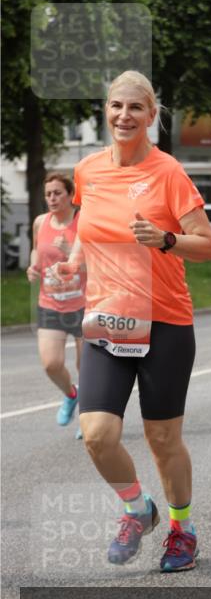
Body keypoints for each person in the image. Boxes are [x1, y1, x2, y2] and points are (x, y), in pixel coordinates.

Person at [48, 71, 211, 572]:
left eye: (135, 109)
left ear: (152, 115)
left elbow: (206, 244)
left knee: (163, 439)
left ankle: (182, 530)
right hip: (105, 320)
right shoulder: (88, 170)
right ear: (106, 109)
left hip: (164, 321)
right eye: (116, 106)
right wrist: (74, 261)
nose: (124, 116)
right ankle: (135, 508)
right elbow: (87, 225)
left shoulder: (168, 173)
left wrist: (165, 239)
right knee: (98, 433)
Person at [26, 173, 85, 430]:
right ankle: (71, 395)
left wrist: (69, 251)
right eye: (48, 193)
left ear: (71, 195)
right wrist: (32, 266)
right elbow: (37, 249)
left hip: (84, 304)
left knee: (87, 367)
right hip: (50, 303)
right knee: (51, 364)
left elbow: (98, 261)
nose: (51, 198)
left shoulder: (83, 223)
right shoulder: (41, 222)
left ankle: (89, 420)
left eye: (57, 193)